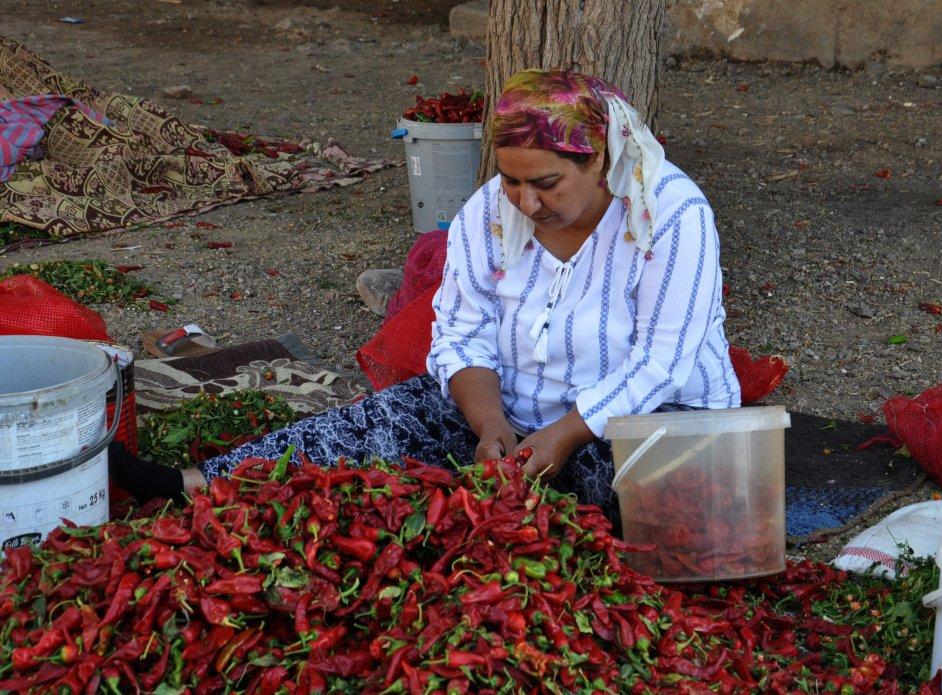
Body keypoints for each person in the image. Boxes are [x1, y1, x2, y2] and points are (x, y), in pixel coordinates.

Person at [159, 69, 741, 519]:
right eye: (511, 180)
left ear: (601, 160)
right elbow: (461, 331)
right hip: (513, 419)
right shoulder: (488, 211)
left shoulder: (670, 214)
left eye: (546, 183)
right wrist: (489, 423)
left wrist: (564, 436)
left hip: (643, 422)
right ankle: (196, 484)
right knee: (375, 425)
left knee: (656, 498)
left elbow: (661, 364)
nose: (526, 203)